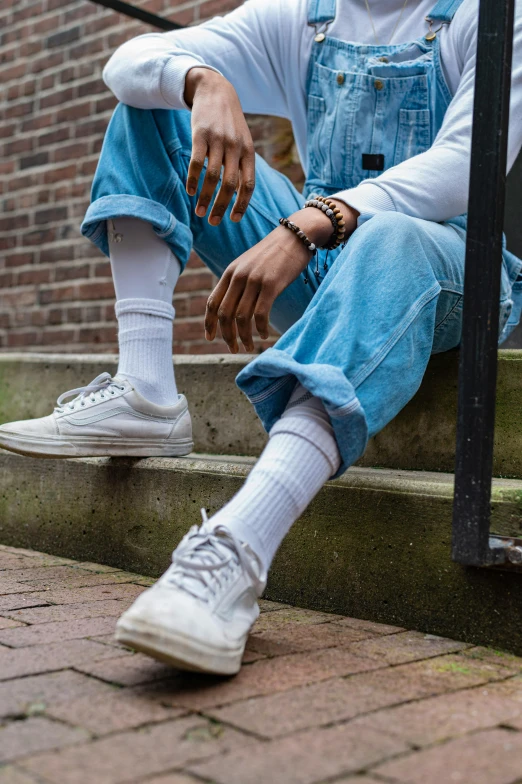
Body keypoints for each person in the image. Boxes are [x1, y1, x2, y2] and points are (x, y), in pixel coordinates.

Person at [1, 0, 522, 675]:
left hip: (451, 265)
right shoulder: (308, 19)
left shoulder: (486, 14)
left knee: (390, 239)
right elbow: (124, 63)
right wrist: (201, 82)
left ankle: (234, 550)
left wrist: (314, 220)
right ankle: (148, 393)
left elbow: (463, 167)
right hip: (321, 256)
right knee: (152, 104)